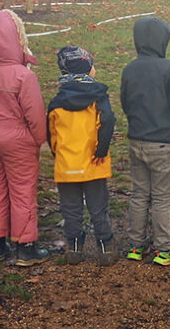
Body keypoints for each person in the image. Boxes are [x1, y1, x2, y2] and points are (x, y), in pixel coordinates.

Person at [0, 9, 49, 266]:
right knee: (22, 189)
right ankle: (25, 247)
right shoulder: (24, 75)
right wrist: (39, 139)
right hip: (17, 140)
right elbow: (35, 113)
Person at [120, 17, 170, 266]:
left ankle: (135, 246)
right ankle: (163, 250)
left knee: (139, 194)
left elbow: (125, 102)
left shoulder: (129, 69)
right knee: (161, 197)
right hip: (163, 143)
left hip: (137, 139)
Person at [47, 46, 116, 266]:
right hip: (93, 162)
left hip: (67, 164)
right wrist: (101, 150)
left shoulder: (56, 102)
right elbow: (107, 122)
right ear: (87, 69)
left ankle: (74, 249)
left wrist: (58, 153)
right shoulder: (98, 97)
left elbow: (51, 133)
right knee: (98, 207)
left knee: (71, 209)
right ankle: (105, 248)